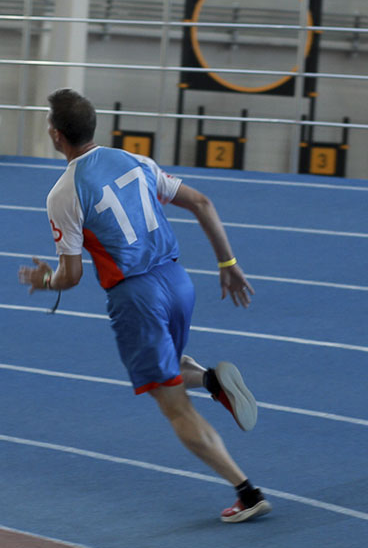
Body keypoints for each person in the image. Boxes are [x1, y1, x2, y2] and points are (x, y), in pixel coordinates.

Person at [18, 88, 271, 523]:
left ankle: (247, 493)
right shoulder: (134, 160)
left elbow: (71, 276)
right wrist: (228, 264)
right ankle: (211, 379)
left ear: (56, 135)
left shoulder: (63, 194)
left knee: (172, 403)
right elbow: (201, 202)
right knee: (168, 370)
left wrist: (44, 280)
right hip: (177, 281)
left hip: (137, 297)